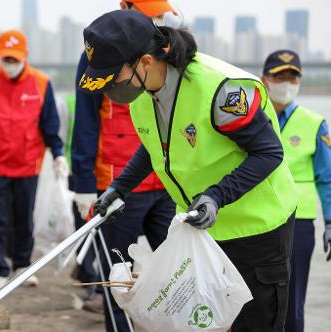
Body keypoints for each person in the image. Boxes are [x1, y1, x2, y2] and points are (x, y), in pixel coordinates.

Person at [79, 10, 297, 331]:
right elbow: (157, 145)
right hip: (202, 230)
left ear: (145, 62)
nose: (111, 90)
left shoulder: (219, 91)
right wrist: (120, 188)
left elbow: (267, 152)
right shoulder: (142, 93)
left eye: (115, 80)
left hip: (256, 231)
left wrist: (216, 197)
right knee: (202, 321)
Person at [71, 0, 178, 328]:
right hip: (118, 185)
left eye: (161, 13)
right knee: (116, 279)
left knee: (179, 271)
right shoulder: (100, 58)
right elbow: (86, 124)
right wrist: (85, 185)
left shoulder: (165, 54)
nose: (158, 18)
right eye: (152, 12)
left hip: (165, 185)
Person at [0, 29, 67, 292]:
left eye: (14, 59)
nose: (10, 64)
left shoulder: (42, 82)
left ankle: (23, 265)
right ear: (0, 57)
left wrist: (58, 153)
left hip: (29, 163)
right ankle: (0, 268)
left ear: (24, 57)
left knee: (24, 217)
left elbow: (50, 124)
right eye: (6, 59)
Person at [260, 50, 331, 332]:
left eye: (292, 76)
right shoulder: (249, 117)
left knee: (292, 301)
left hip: (298, 223)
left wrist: (329, 220)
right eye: (279, 76)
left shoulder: (314, 123)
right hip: (257, 221)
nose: (286, 82)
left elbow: (327, 178)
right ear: (265, 79)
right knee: (254, 302)